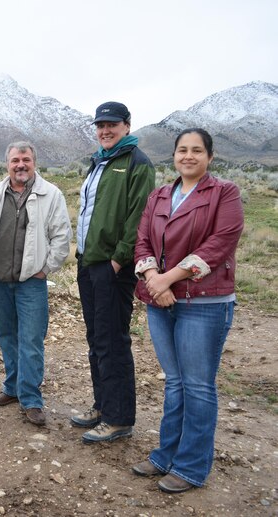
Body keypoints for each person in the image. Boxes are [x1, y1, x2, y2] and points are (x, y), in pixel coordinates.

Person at [132, 128, 243, 493]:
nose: (189, 156)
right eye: (182, 150)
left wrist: (167, 280)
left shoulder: (224, 193)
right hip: (160, 301)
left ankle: (192, 466)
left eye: (197, 150)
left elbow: (220, 244)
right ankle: (167, 454)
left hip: (204, 303)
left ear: (210, 157)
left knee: (197, 385)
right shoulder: (160, 194)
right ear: (174, 156)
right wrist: (152, 277)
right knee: (176, 382)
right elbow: (143, 239)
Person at [72, 101, 155, 443]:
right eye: (100, 125)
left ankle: (119, 419)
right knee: (96, 339)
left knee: (112, 342)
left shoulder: (137, 163)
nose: (105, 130)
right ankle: (103, 406)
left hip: (111, 267)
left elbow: (140, 216)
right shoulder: (100, 161)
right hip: (89, 263)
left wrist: (119, 260)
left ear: (127, 125)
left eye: (112, 124)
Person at [0, 141, 71, 426]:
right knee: (6, 336)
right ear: (7, 163)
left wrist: (46, 268)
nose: (20, 165)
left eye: (25, 160)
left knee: (31, 340)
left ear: (34, 162)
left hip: (31, 282)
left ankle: (31, 398)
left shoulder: (50, 194)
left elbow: (62, 236)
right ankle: (12, 387)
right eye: (15, 160)